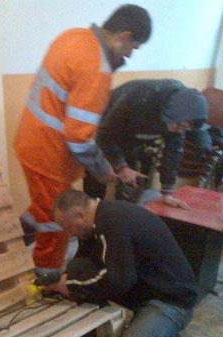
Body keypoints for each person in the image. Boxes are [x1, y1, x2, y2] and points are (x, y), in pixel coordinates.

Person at [15, 4, 152, 275]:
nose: (129, 55)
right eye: (132, 47)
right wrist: (101, 170)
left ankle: (12, 240)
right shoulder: (96, 68)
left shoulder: (74, 37)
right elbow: (78, 136)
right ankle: (48, 279)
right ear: (124, 36)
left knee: (43, 207)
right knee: (58, 223)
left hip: (33, 143)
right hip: (48, 155)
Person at [51, 189, 198, 337]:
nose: (70, 235)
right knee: (77, 268)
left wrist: (70, 284)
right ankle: (138, 326)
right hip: (144, 288)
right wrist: (65, 278)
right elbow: (83, 263)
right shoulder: (97, 221)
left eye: (69, 228)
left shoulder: (112, 223)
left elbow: (119, 281)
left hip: (171, 300)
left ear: (81, 215)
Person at [83, 79, 210, 209]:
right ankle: (89, 212)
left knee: (130, 183)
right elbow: (104, 135)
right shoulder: (138, 98)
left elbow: (173, 152)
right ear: (169, 113)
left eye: (185, 128)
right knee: (97, 177)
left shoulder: (180, 113)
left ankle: (122, 212)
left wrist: (167, 193)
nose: (180, 131)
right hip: (105, 122)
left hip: (133, 136)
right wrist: (121, 167)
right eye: (179, 126)